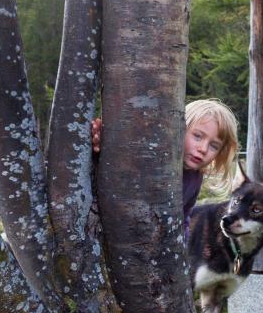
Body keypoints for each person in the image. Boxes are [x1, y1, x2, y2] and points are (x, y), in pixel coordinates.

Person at [91, 98, 239, 238]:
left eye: (214, 146)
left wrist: (182, 249)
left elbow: (183, 217)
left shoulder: (195, 178)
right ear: (180, 129)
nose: (203, 148)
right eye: (198, 136)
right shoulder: (155, 156)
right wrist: (103, 143)